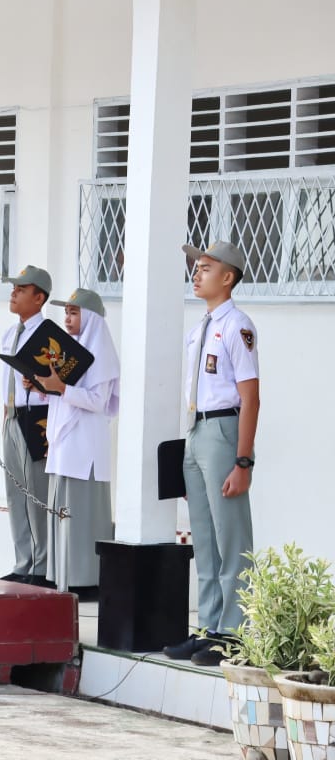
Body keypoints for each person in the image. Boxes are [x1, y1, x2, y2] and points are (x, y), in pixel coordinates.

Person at [164, 241, 260, 667]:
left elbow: (250, 398)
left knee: (231, 536)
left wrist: (243, 460)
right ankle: (209, 626)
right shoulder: (198, 327)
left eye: (206, 267)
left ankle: (234, 632)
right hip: (197, 429)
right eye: (195, 267)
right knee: (203, 536)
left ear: (228, 277)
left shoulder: (238, 326)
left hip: (224, 428)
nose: (196, 273)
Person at [37, 288, 119, 598]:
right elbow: (63, 393)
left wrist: (61, 389)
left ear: (91, 317)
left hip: (85, 445)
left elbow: (98, 401)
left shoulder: (102, 353)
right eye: (66, 312)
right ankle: (63, 574)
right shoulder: (68, 352)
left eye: (74, 312)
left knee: (82, 510)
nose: (68, 318)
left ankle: (86, 578)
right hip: (64, 442)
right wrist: (45, 387)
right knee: (62, 506)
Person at [0, 266, 54, 587]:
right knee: (15, 491)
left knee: (36, 491)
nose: (14, 293)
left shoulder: (48, 335)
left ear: (39, 297)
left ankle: (42, 564)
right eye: (13, 288)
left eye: (21, 289)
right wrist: (4, 415)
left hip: (37, 418)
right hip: (13, 416)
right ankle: (23, 561)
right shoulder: (11, 333)